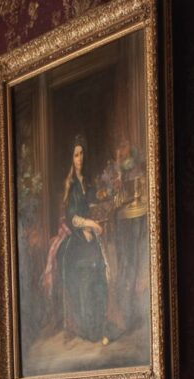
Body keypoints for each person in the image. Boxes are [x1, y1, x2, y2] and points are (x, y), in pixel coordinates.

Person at [57, 136, 110, 346]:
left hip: (89, 232)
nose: (79, 158)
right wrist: (89, 225)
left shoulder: (87, 182)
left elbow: (93, 206)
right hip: (77, 236)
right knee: (86, 272)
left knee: (100, 270)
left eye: (82, 154)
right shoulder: (70, 184)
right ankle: (90, 329)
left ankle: (100, 324)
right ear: (71, 158)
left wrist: (95, 222)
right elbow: (72, 216)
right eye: (76, 154)